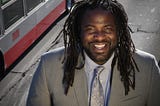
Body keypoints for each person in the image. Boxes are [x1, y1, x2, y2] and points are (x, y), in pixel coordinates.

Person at [26, 0, 160, 106]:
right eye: (90, 29)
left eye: (107, 29)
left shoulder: (147, 67)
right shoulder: (48, 65)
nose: (100, 37)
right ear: (79, 32)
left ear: (118, 32)